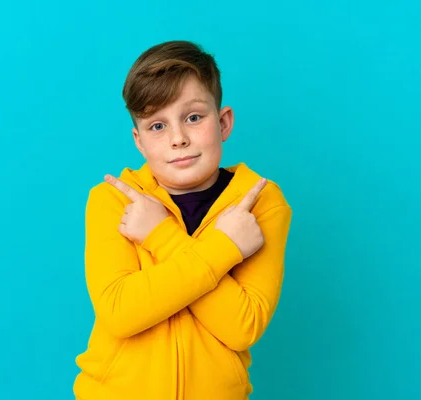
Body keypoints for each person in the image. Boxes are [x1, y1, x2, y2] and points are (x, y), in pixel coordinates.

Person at [73, 40, 292, 400]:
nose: (178, 138)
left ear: (223, 122)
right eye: (157, 125)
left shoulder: (261, 204)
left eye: (193, 117)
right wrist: (224, 248)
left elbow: (243, 325)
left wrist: (160, 236)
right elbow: (120, 313)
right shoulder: (113, 200)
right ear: (139, 141)